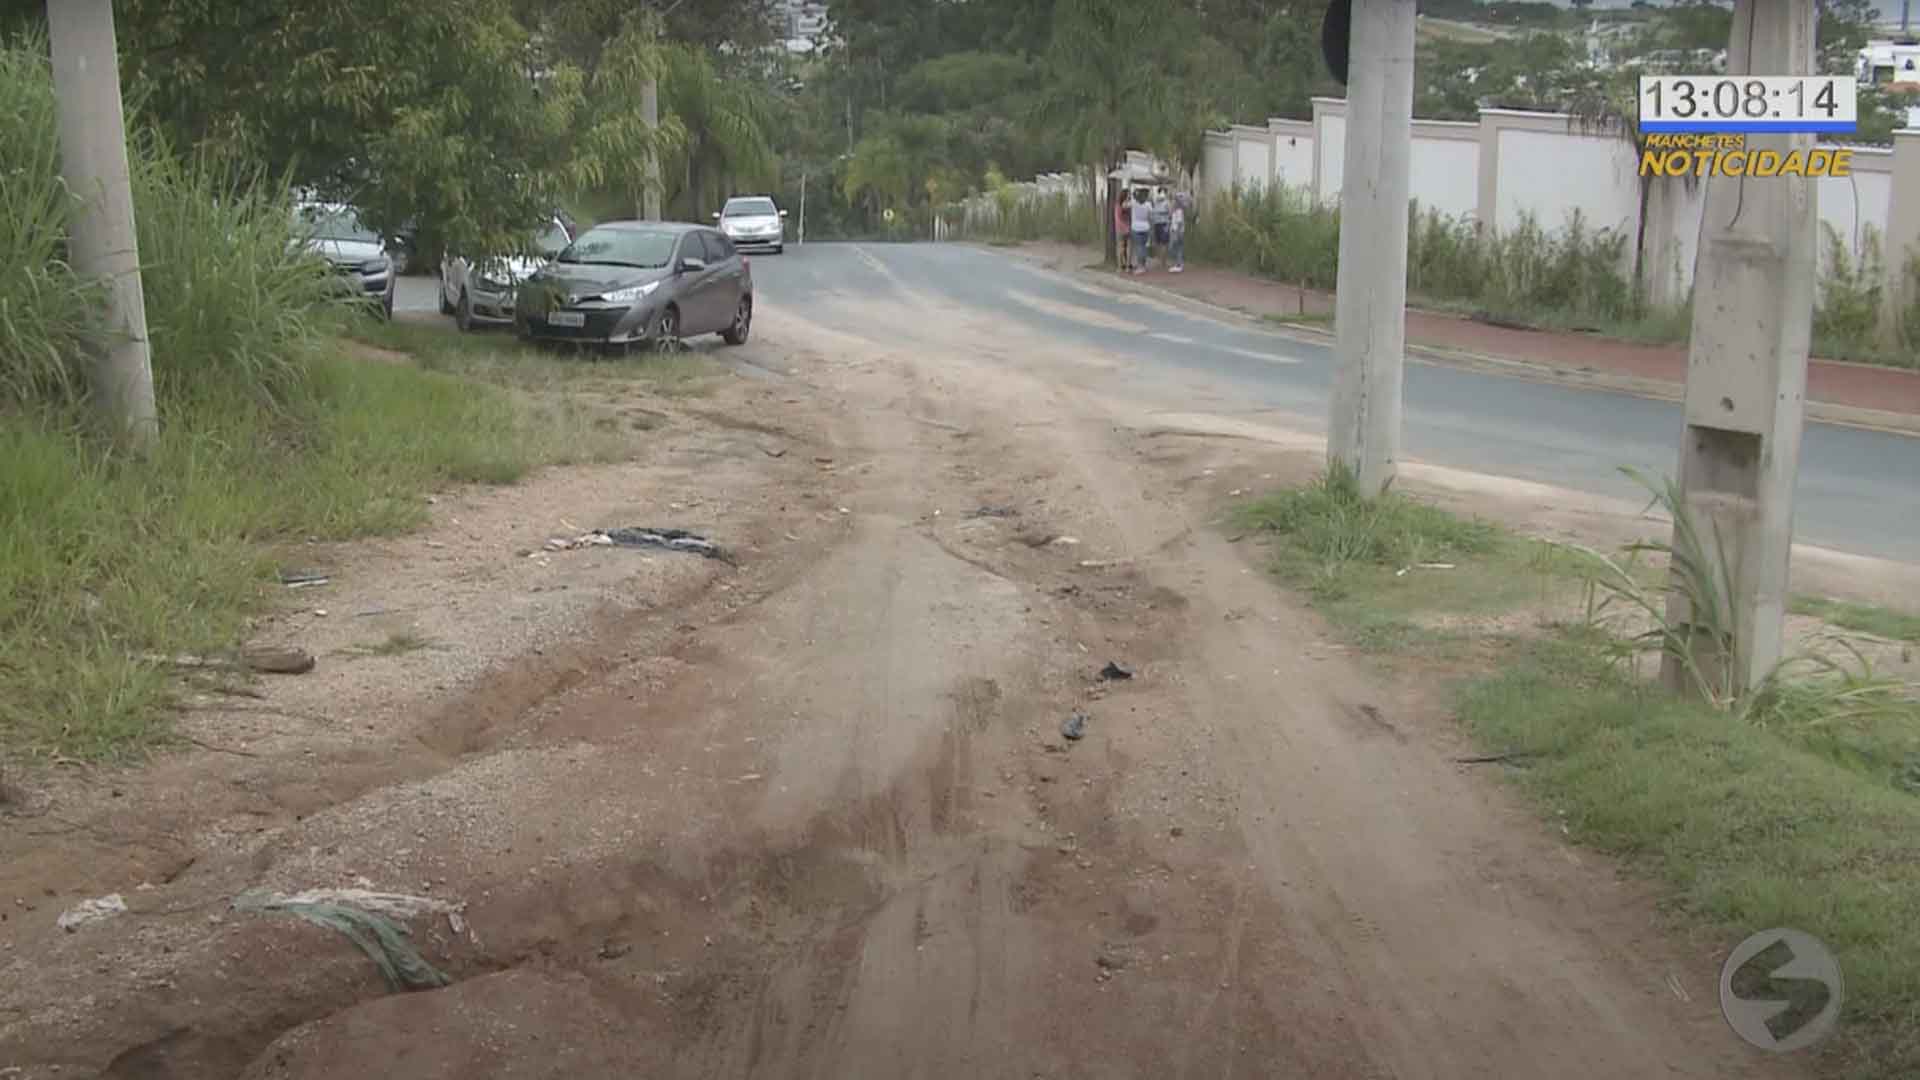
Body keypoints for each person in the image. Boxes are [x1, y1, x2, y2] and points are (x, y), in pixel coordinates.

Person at [1128, 187, 1152, 275]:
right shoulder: (1148, 204)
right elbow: (1150, 217)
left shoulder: (1134, 203)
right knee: (1144, 247)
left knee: (1139, 247)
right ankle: (1143, 265)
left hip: (1136, 227)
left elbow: (1124, 205)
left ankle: (1140, 266)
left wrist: (1131, 195)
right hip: (1146, 227)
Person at [1150, 187, 1171, 269]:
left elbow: (1153, 212)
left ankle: (1159, 260)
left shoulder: (1155, 201)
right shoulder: (1166, 202)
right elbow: (1170, 212)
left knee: (1158, 242)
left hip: (1156, 223)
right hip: (1164, 223)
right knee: (1164, 243)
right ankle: (1163, 262)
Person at [1168, 194, 1186, 273]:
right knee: (1178, 248)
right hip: (1176, 231)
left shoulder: (1178, 211)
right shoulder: (1176, 211)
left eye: (1174, 201)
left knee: (1174, 248)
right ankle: (1179, 264)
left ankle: (1178, 264)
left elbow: (1179, 223)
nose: (1172, 202)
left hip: (1177, 232)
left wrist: (1177, 233)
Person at [1114, 194, 1131, 271]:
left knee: (1121, 248)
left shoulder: (1118, 206)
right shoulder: (1127, 206)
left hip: (1120, 229)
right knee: (1127, 248)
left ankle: (1120, 267)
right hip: (1126, 229)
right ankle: (1126, 266)